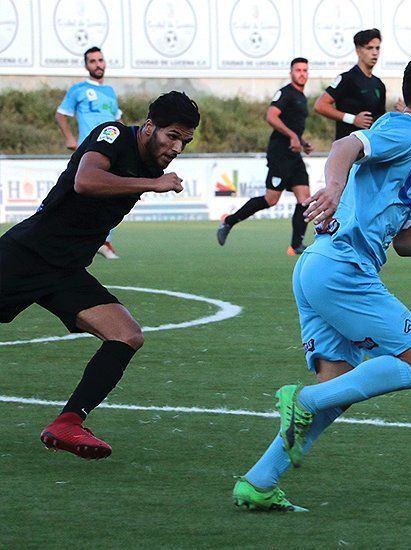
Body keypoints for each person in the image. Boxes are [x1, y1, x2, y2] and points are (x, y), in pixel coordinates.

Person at [232, 52, 411, 512]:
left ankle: (258, 481)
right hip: (342, 270)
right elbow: (345, 147)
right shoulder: (404, 129)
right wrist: (333, 188)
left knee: (339, 391)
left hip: (321, 268)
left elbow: (406, 240)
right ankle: (302, 398)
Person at [0, 92, 200, 459]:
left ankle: (68, 423)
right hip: (27, 255)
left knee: (126, 334)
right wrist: (151, 184)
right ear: (150, 126)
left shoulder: (151, 162)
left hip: (66, 270)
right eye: (172, 135)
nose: (177, 147)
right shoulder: (113, 134)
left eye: (185, 141)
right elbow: (86, 181)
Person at [217, 58, 314, 255]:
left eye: (305, 70)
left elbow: (292, 125)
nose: (302, 73)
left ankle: (296, 245)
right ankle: (229, 221)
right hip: (280, 153)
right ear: (291, 72)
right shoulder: (286, 93)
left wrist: (302, 142)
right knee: (271, 199)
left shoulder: (302, 97)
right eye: (298, 70)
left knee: (304, 199)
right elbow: (271, 116)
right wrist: (293, 136)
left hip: (294, 155)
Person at [55, 46, 124, 260]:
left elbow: (117, 120)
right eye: (92, 61)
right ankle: (67, 237)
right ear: (86, 65)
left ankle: (102, 240)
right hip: (89, 150)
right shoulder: (78, 89)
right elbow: (60, 114)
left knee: (112, 194)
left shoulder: (110, 92)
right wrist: (69, 138)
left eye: (100, 60)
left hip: (112, 149)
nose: (98, 64)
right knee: (77, 192)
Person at [313, 28, 388, 140]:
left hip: (370, 150)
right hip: (348, 147)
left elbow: (381, 118)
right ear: (358, 50)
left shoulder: (379, 84)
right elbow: (320, 105)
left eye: (377, 48)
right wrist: (352, 119)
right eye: (369, 48)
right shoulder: (347, 78)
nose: (375, 53)